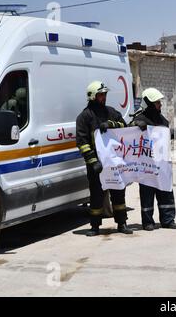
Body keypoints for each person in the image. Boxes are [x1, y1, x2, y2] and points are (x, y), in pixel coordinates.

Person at [76, 81, 132, 237]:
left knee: (119, 192)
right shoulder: (84, 117)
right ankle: (95, 226)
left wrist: (111, 124)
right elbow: (82, 142)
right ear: (92, 96)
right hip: (97, 165)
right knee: (96, 195)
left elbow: (125, 127)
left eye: (105, 94)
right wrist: (93, 162)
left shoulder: (111, 112)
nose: (104, 97)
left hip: (114, 162)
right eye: (101, 95)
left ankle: (122, 223)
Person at [131, 88, 176, 231]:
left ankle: (168, 220)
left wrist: (175, 132)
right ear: (148, 104)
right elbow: (128, 133)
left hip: (162, 164)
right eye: (157, 102)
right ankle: (148, 222)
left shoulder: (162, 120)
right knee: (146, 194)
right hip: (146, 165)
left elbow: (163, 137)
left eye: (159, 102)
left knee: (166, 192)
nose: (160, 105)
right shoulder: (139, 119)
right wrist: (135, 126)